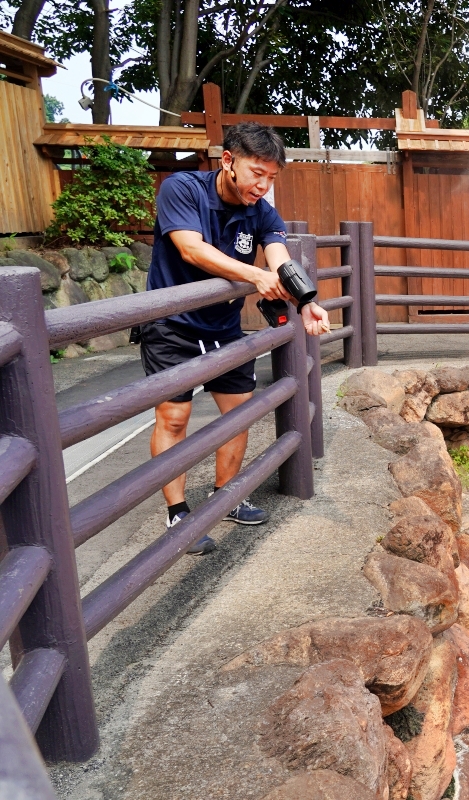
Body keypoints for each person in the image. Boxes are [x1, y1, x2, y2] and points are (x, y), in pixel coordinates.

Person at [140, 122, 329, 555]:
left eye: (271, 178)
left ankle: (226, 496)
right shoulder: (182, 189)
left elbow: (279, 260)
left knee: (239, 414)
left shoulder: (261, 211)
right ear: (228, 161)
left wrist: (306, 302)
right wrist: (253, 275)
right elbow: (190, 248)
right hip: (172, 325)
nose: (262, 186)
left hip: (224, 326)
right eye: (256, 173)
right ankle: (178, 514)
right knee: (174, 419)